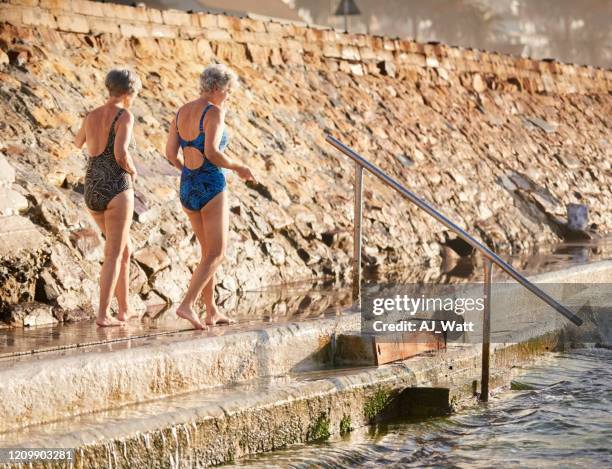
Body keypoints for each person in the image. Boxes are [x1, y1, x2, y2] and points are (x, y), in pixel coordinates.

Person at [165, 64, 255, 330]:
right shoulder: (213, 112)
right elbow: (213, 152)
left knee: (206, 253)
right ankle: (187, 305)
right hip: (211, 183)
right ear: (217, 88)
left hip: (188, 185)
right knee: (217, 253)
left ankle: (211, 310)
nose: (229, 96)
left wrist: (187, 172)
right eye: (227, 91)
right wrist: (238, 166)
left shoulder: (181, 112)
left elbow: (171, 154)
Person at [74, 68, 141, 327]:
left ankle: (124, 309)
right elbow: (121, 153)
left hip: (92, 186)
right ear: (128, 92)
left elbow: (78, 142)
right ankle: (103, 315)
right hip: (116, 186)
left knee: (125, 249)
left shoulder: (91, 114)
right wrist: (133, 170)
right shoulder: (124, 115)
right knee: (113, 253)